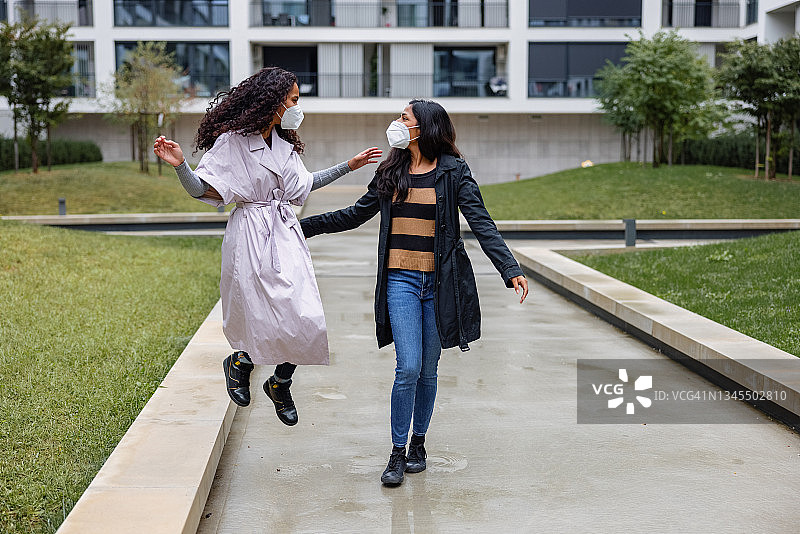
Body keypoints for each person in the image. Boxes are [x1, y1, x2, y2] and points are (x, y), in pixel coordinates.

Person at [300, 99, 529, 486]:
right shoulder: (391, 170)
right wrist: (304, 227)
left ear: (424, 127)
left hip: (438, 285)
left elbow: (481, 221)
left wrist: (510, 269)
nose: (396, 123)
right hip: (401, 281)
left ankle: (418, 442)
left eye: (404, 118)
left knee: (428, 370)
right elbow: (356, 213)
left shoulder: (454, 171)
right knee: (407, 366)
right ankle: (396, 451)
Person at [153, 66, 381, 426]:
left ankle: (279, 382)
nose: (296, 107)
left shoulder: (285, 143)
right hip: (249, 232)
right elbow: (203, 190)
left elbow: (302, 187)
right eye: (293, 100)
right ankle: (240, 363)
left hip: (284, 231)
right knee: (257, 312)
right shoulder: (232, 142)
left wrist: (348, 167)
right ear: (273, 101)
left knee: (304, 314)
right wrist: (181, 166)